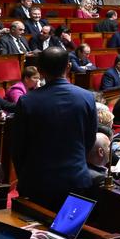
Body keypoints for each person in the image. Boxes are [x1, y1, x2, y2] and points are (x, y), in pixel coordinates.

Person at [12, 46, 98, 209]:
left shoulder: (27, 101)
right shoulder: (86, 97)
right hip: (76, 179)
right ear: (68, 67)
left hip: (37, 182)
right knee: (69, 232)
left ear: (40, 70)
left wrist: (25, 177)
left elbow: (18, 148)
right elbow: (90, 139)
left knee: (36, 232)